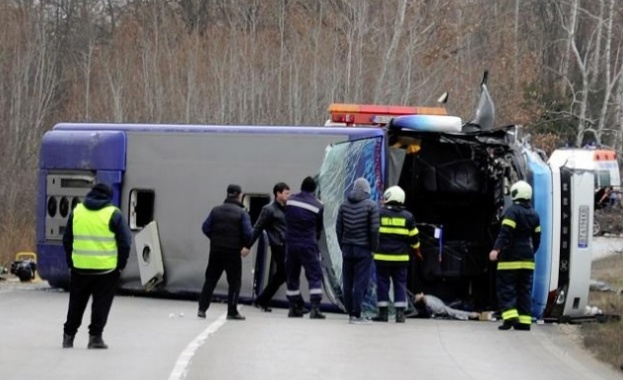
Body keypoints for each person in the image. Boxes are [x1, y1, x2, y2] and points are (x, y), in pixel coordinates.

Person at [62, 183, 132, 349]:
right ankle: (95, 338)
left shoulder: (77, 211)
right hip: (106, 270)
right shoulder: (114, 214)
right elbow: (125, 243)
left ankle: (68, 336)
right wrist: (121, 265)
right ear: (108, 196)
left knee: (76, 303)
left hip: (80, 267)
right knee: (101, 303)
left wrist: (70, 262)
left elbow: (67, 239)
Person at [489, 180, 541, 331]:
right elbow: (537, 238)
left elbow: (505, 233)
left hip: (510, 258)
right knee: (524, 290)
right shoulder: (535, 215)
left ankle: (510, 317)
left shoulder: (512, 212)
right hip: (528, 259)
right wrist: (531, 252)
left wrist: (496, 250)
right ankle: (524, 321)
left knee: (507, 288)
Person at [198, 184, 252, 321]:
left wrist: (215, 238)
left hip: (216, 250)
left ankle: (202, 309)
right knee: (234, 282)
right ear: (239, 195)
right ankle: (232, 311)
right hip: (233, 252)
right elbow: (248, 233)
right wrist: (245, 245)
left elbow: (205, 227)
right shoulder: (242, 213)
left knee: (210, 280)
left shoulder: (216, 210)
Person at [371, 186, 419, 323]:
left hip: (382, 258)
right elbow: (414, 238)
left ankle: (383, 314)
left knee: (382, 284)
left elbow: (373, 233)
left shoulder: (378, 213)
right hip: (401, 259)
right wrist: (416, 250)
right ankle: (400, 315)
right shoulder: (408, 216)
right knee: (400, 284)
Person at [336, 177, 379, 324]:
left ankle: (350, 313)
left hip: (347, 248)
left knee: (347, 282)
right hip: (364, 249)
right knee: (360, 283)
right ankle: (356, 314)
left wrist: (343, 246)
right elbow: (374, 230)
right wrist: (374, 248)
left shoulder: (343, 205)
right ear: (367, 190)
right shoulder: (371, 206)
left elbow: (338, 228)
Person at [245, 182, 291, 312]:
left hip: (287, 245)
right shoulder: (269, 209)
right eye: (286, 193)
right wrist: (248, 245)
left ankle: (261, 300)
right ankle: (297, 303)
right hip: (277, 245)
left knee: (282, 275)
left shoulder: (287, 208)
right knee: (285, 273)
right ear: (278, 194)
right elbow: (258, 227)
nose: (289, 196)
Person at [284, 176, 326, 319]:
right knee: (315, 275)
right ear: (314, 190)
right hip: (308, 244)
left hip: (291, 243)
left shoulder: (290, 200)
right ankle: (315, 308)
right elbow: (319, 228)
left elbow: (287, 218)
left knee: (292, 274)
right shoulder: (318, 205)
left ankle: (293, 307)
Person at [412, 293, 480, 320]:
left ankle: (470, 307)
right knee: (458, 304)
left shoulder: (427, 299)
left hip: (441, 304)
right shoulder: (432, 304)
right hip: (440, 306)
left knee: (457, 303)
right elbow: (452, 312)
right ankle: (471, 309)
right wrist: (470, 314)